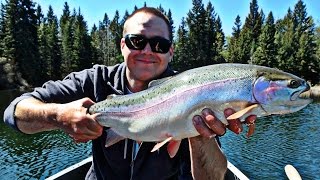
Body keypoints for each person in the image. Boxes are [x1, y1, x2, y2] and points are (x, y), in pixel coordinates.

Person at [4, 7, 256, 180]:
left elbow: (211, 178)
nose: (147, 51)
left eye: (160, 45)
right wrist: (58, 115)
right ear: (123, 45)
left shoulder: (191, 88)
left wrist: (200, 136)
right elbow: (14, 112)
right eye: (137, 41)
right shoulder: (95, 81)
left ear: (171, 52)